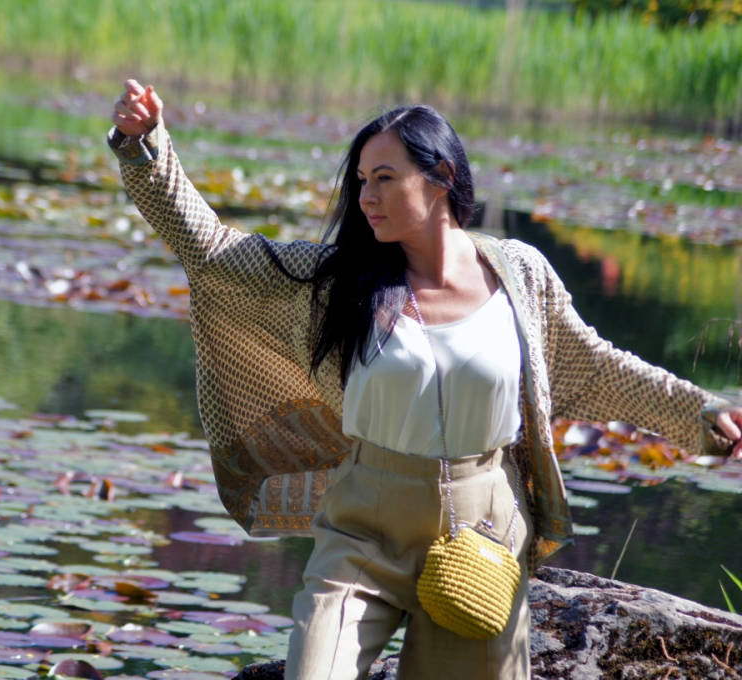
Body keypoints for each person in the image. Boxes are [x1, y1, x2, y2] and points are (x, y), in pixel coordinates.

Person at [107, 79, 742, 679]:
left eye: (385, 178)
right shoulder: (339, 282)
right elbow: (212, 251)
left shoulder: (519, 275)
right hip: (363, 528)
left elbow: (596, 366)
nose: (366, 197)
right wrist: (146, 148)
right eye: (362, 181)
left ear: (442, 177)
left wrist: (698, 412)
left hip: (482, 536)